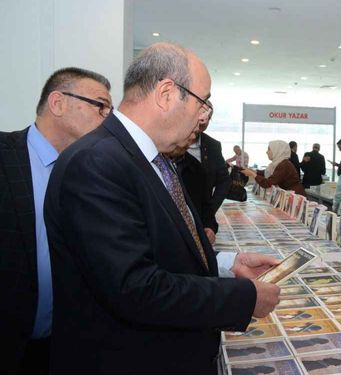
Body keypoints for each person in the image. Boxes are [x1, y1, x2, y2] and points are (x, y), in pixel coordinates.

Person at [44, 42, 281, 375]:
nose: (204, 118)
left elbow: (161, 250)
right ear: (167, 93)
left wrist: (227, 265)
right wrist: (243, 298)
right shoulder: (97, 162)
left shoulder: (154, 158)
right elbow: (135, 288)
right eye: (204, 103)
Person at [0, 67, 112, 375]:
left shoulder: (96, 174)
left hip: (66, 348)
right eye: (99, 105)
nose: (107, 117)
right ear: (58, 103)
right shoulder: (4, 157)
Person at [173, 100, 230, 242]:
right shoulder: (163, 149)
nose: (202, 123)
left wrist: (209, 215)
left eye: (207, 119)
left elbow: (223, 181)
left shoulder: (210, 148)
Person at [241, 140, 305, 196]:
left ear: (277, 150)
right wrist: (254, 171)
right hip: (289, 194)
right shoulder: (277, 163)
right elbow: (266, 172)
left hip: (295, 196)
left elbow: (268, 183)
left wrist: (253, 174)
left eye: (269, 149)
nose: (266, 152)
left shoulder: (284, 165)